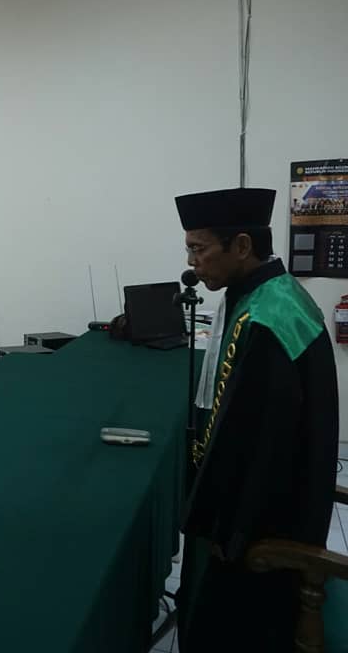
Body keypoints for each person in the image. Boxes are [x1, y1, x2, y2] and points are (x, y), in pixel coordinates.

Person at [173, 187, 338, 653]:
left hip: (262, 542)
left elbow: (259, 453)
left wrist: (223, 531)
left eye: (199, 249)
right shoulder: (270, 295)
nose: (192, 263)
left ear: (242, 246)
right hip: (277, 508)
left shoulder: (265, 321)